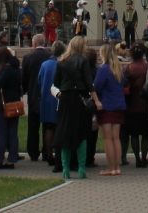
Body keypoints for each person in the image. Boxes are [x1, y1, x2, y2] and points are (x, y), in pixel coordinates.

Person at [52, 36, 94, 180]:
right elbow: (89, 83)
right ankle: (81, 168)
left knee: (65, 133)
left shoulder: (61, 61)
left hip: (65, 99)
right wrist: (95, 99)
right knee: (81, 134)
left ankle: (65, 169)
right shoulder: (83, 60)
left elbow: (56, 82)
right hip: (80, 99)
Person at [91, 42, 125, 176]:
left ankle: (111, 168)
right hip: (119, 104)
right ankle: (117, 167)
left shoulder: (103, 69)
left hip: (106, 105)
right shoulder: (119, 68)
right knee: (116, 138)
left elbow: (97, 86)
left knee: (107, 139)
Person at [20, 34, 50, 162]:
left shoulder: (27, 58)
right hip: (48, 95)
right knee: (48, 126)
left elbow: (24, 77)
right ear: (45, 43)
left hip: (33, 95)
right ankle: (47, 151)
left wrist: (25, 90)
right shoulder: (50, 56)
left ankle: (33, 152)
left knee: (33, 126)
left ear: (34, 44)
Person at [122, 42, 148, 168]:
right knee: (145, 134)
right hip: (146, 105)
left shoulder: (127, 68)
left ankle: (137, 159)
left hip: (131, 106)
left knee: (134, 134)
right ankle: (144, 158)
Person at [37, 40, 64, 170]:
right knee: (59, 128)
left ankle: (49, 154)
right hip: (59, 99)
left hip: (46, 99)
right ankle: (59, 156)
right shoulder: (62, 64)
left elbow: (39, 81)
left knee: (48, 128)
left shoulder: (44, 64)